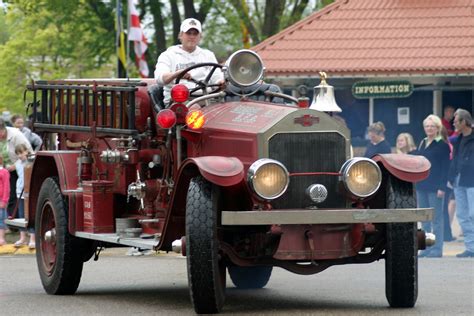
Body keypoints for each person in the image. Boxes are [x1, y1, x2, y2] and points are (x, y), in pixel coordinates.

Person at [154, 18, 224, 104]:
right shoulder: (168, 55)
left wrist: (221, 82)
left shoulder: (208, 55)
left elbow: (217, 77)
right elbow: (160, 79)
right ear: (180, 35)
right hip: (179, 101)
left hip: (207, 98)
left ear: (200, 37)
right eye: (188, 33)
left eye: (195, 33)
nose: (192, 37)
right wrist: (177, 74)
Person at [415, 115, 450, 257]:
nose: (429, 128)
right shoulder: (422, 143)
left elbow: (445, 168)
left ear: (438, 128)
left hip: (436, 187)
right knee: (424, 220)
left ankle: (436, 249)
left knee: (436, 219)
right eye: (427, 126)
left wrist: (442, 187)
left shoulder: (442, 145)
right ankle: (426, 248)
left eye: (432, 126)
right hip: (421, 186)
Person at [448, 109, 474, 258]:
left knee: (472, 214)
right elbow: (454, 159)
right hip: (458, 180)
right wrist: (450, 177)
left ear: (464, 122)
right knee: (463, 215)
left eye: (456, 121)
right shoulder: (457, 139)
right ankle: (471, 248)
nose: (453, 123)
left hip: (472, 180)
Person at [13, 144, 35, 248]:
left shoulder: (31, 162)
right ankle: (22, 238)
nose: (21, 155)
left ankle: (32, 238)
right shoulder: (17, 164)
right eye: (18, 154)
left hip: (29, 192)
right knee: (22, 216)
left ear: (27, 151)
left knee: (29, 215)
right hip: (19, 192)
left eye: (22, 152)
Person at [0, 155, 10, 246]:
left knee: (1, 219)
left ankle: (2, 238)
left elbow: (6, 187)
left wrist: (4, 200)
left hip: (1, 199)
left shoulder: (4, 172)